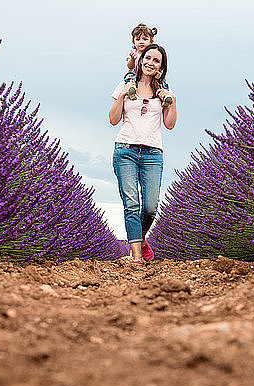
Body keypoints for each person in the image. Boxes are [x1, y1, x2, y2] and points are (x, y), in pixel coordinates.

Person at [109, 44, 177, 264]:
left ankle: (141, 239)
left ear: (161, 67)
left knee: (150, 207)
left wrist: (173, 101)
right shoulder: (125, 85)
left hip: (153, 154)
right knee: (132, 204)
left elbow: (170, 125)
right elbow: (113, 120)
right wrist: (120, 97)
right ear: (141, 60)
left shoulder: (163, 93)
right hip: (125, 150)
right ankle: (137, 256)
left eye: (156, 61)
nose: (150, 62)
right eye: (148, 58)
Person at [124, 23, 173, 107]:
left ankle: (166, 96)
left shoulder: (152, 53)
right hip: (135, 75)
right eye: (138, 39)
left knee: (161, 81)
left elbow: (156, 66)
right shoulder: (134, 53)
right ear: (133, 42)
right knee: (130, 79)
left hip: (150, 77)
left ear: (151, 41)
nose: (141, 42)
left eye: (145, 39)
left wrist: (158, 74)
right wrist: (132, 59)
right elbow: (130, 66)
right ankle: (131, 90)